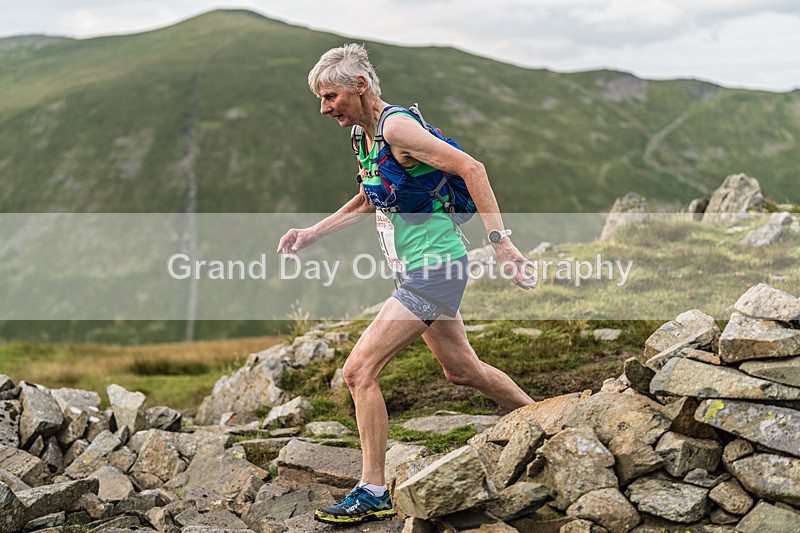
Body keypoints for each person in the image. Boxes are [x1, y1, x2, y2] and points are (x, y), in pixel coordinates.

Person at [277, 43, 536, 525]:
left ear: (360, 86)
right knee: (463, 370)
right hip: (415, 268)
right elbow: (367, 198)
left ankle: (373, 490)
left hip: (436, 268)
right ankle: (544, 418)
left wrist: (501, 244)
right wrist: (312, 232)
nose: (324, 108)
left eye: (330, 96)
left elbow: (472, 168)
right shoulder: (364, 136)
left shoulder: (397, 127)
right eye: (320, 99)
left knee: (359, 371)